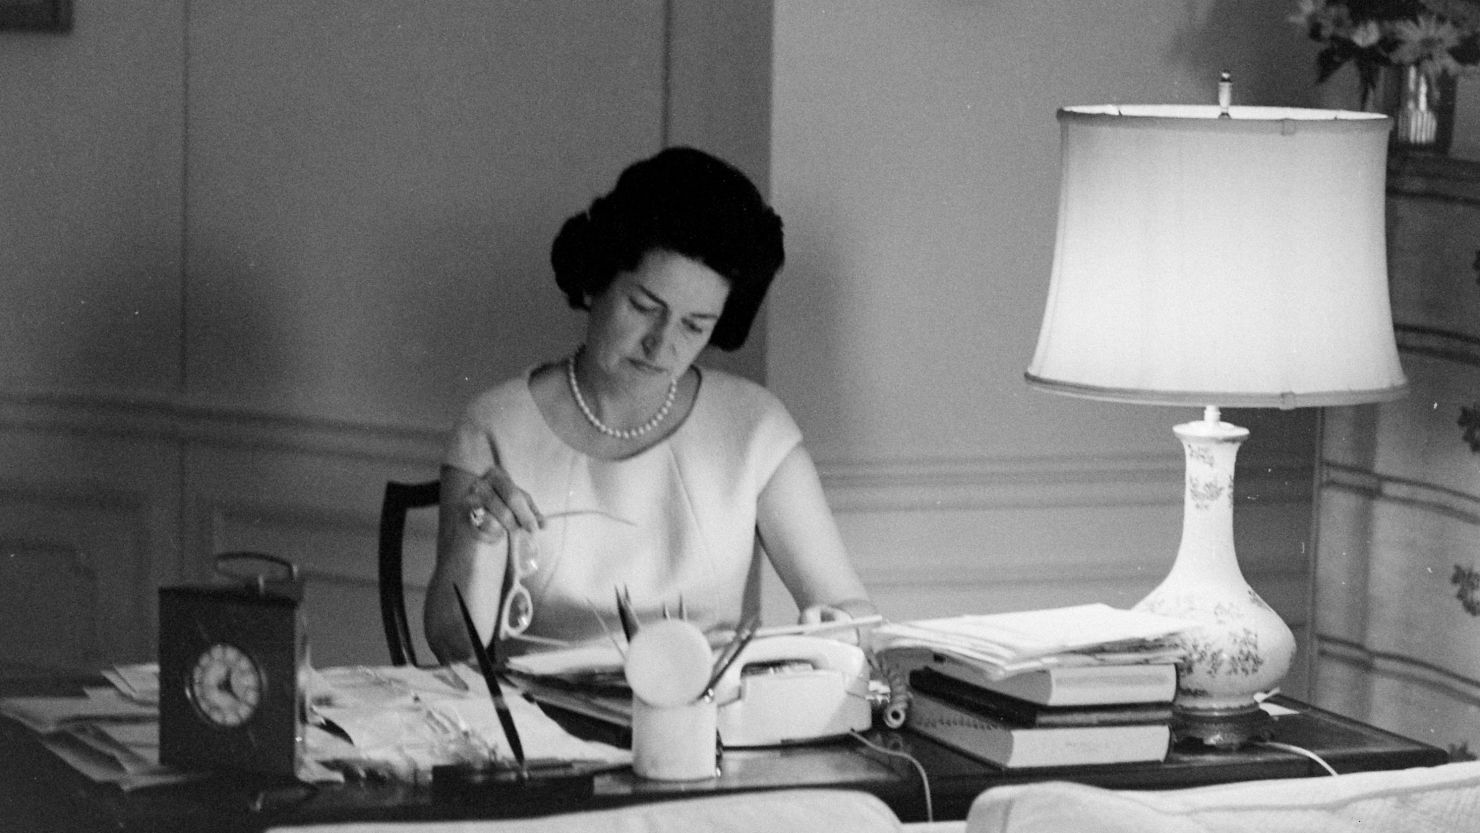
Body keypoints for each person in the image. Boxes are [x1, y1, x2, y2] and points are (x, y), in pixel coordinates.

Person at [425, 146, 874, 662]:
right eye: (643, 307)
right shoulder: (494, 426)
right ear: (596, 280)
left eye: (694, 325)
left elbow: (848, 606)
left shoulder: (754, 427)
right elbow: (455, 649)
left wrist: (835, 626)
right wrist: (476, 539)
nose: (662, 346)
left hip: (707, 727)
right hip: (534, 728)